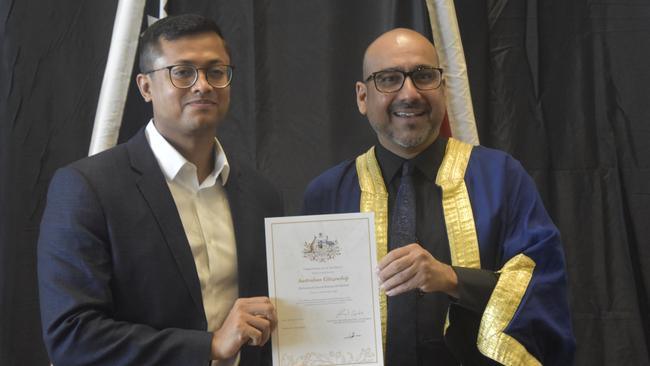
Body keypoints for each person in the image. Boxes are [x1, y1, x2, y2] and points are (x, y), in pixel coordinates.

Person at [302, 28, 575, 365]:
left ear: (443, 88)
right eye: (388, 79)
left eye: (424, 76)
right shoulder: (327, 195)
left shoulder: (500, 178)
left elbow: (543, 283)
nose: (410, 93)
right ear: (362, 97)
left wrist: (453, 279)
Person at [38, 14, 282, 366]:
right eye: (182, 72)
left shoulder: (262, 195)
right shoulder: (87, 188)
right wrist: (209, 347)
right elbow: (72, 336)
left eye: (216, 71)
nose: (203, 85)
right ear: (145, 87)